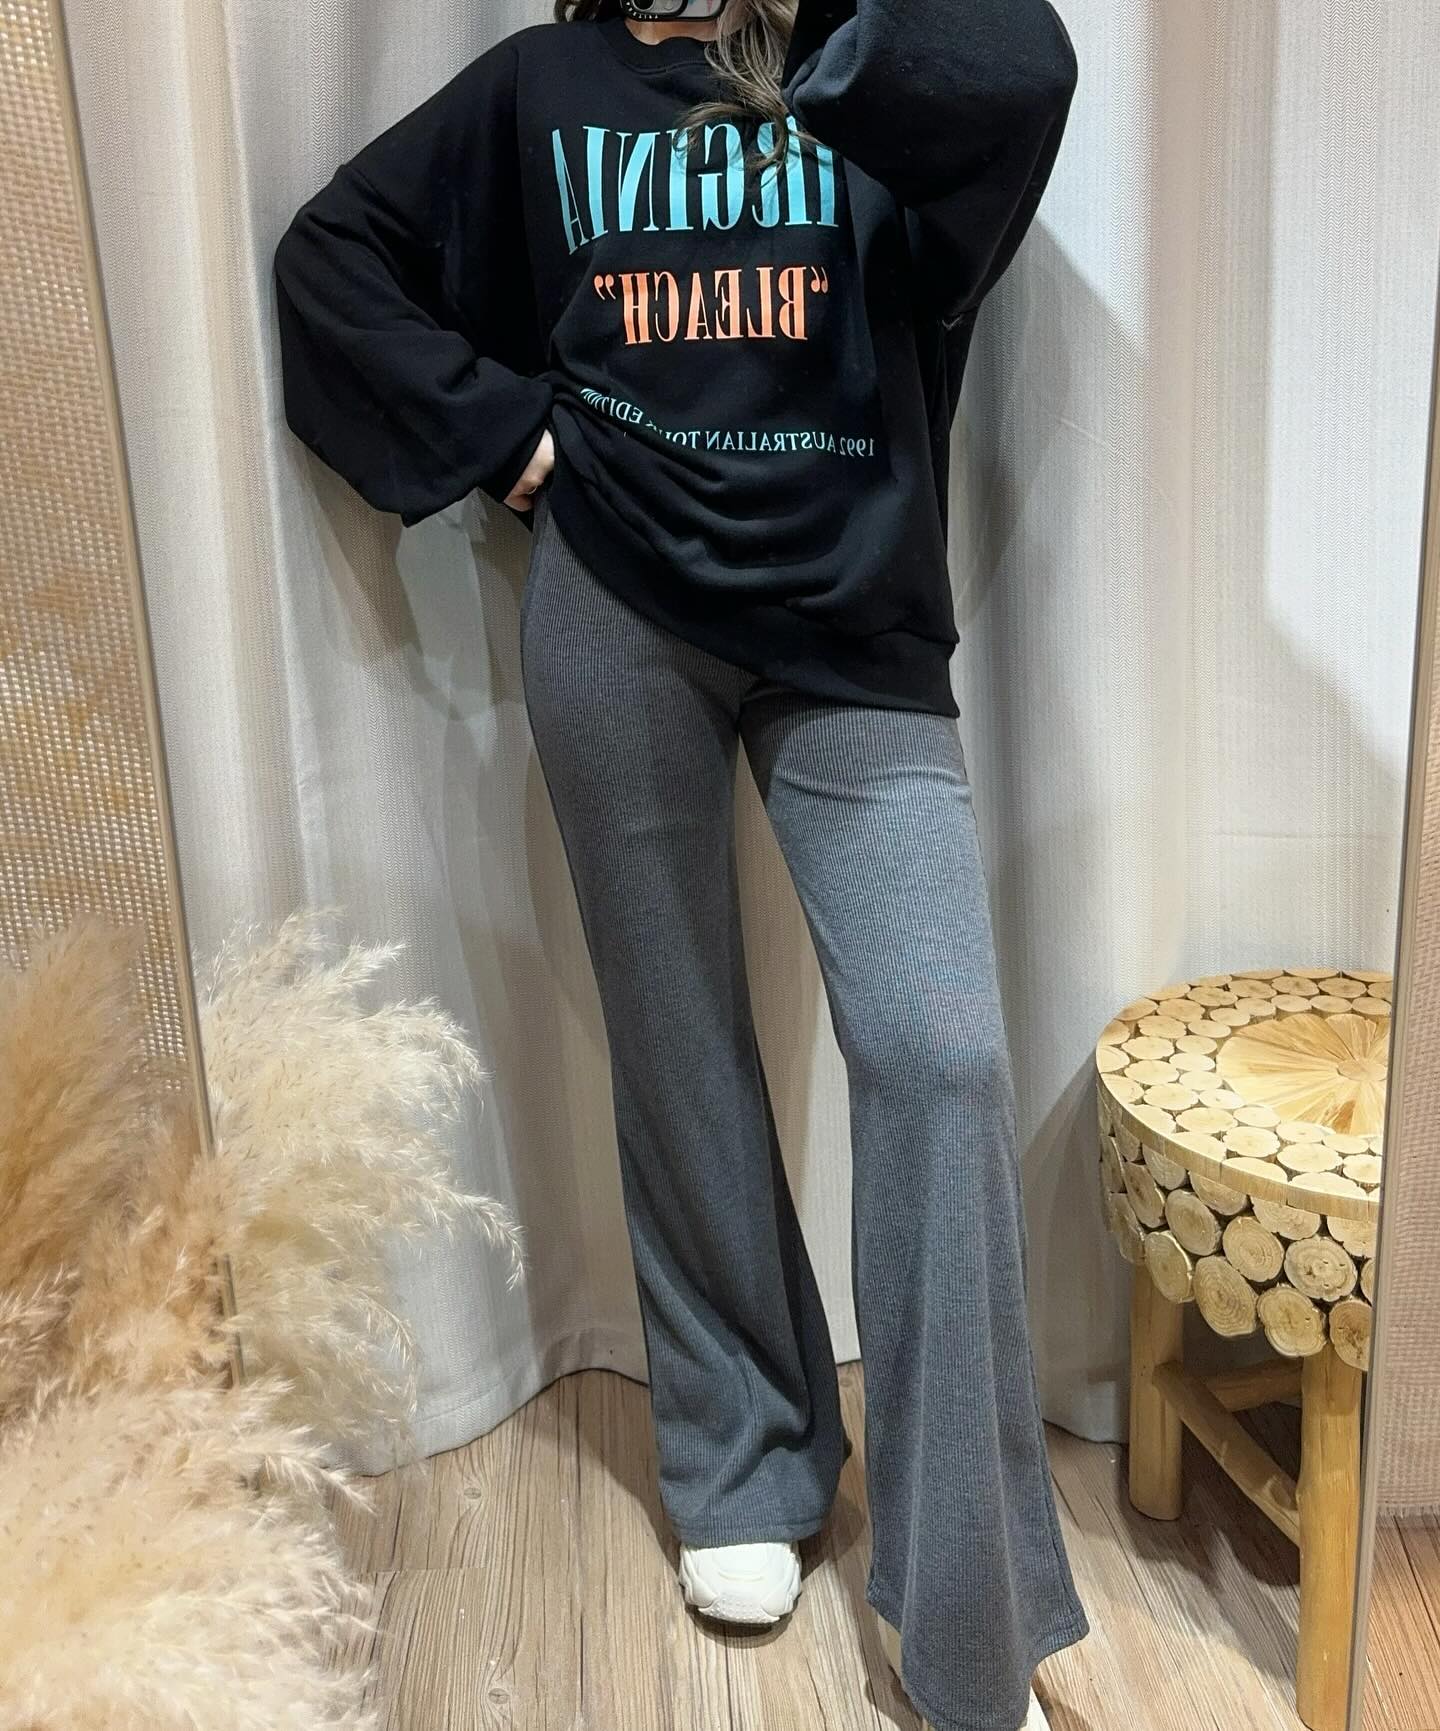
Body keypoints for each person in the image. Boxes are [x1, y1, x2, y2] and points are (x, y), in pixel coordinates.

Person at [272, 2, 1087, 1727]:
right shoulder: (541, 85)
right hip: (617, 609)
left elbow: (1027, 67)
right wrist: (505, 436)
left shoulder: (868, 60)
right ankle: (744, 1459)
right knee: (677, 1041)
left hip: (853, 629)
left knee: (939, 1055)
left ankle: (968, 1613)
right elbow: (335, 257)